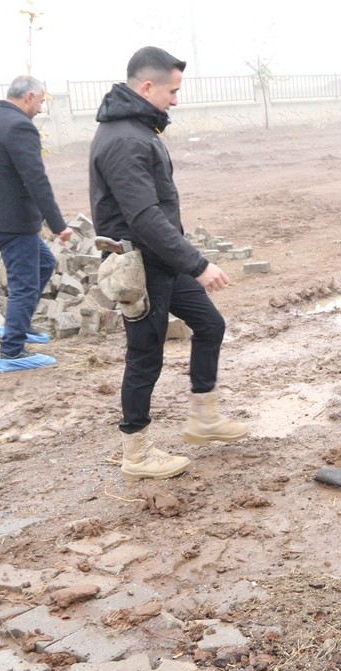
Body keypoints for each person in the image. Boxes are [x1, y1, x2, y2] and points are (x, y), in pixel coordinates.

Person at [90, 46, 249, 481]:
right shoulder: (125, 139)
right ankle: (136, 453)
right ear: (146, 86)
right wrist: (197, 264)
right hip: (139, 266)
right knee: (145, 356)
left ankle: (203, 419)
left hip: (162, 261)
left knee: (210, 324)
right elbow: (143, 216)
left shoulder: (138, 131)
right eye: (172, 91)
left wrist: (182, 261)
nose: (175, 100)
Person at [0, 75, 71, 374]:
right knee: (25, 284)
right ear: (29, 97)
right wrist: (58, 223)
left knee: (44, 263)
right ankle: (11, 352)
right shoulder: (19, 126)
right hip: (14, 220)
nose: (41, 107)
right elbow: (35, 178)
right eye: (40, 101)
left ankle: (17, 327)